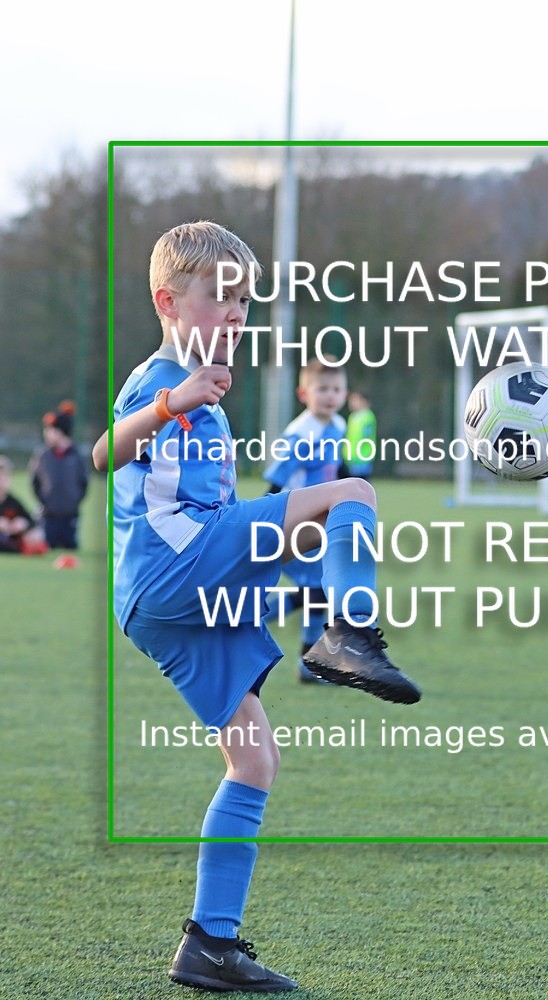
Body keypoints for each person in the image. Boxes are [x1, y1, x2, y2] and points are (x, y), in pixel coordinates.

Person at [93, 220, 420, 992]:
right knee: (353, 491)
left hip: (160, 596)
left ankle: (210, 944)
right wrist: (172, 402)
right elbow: (109, 453)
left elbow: (205, 501)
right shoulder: (163, 378)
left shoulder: (203, 382)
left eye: (244, 299)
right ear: (168, 301)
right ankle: (347, 633)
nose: (237, 313)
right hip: (177, 571)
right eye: (220, 297)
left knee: (254, 759)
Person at [263, 357, 347, 682]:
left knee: (319, 594)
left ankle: (309, 667)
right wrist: (269, 525)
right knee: (317, 593)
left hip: (320, 525)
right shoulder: (300, 435)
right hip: (294, 523)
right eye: (322, 388)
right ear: (303, 394)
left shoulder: (337, 426)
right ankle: (240, 618)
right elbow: (275, 482)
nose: (330, 395)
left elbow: (337, 471)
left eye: (336, 389)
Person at [30, 400, 88, 549]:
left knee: (70, 547)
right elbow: (35, 481)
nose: (46, 433)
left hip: (70, 516)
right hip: (48, 516)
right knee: (47, 546)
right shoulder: (42, 455)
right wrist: (44, 501)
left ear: (59, 432)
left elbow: (83, 483)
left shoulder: (76, 456)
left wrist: (74, 501)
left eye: (50, 429)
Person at [0, 455, 47, 554]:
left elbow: (32, 522)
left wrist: (23, 524)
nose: (2, 481)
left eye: (5, 477)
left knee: (36, 535)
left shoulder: (13, 502)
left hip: (9, 544)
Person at [341, 389, 377, 480]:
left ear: (363, 401)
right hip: (350, 457)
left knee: (362, 485)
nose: (352, 403)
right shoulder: (353, 416)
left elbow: (366, 437)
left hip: (362, 458)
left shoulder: (368, 417)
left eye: (355, 400)